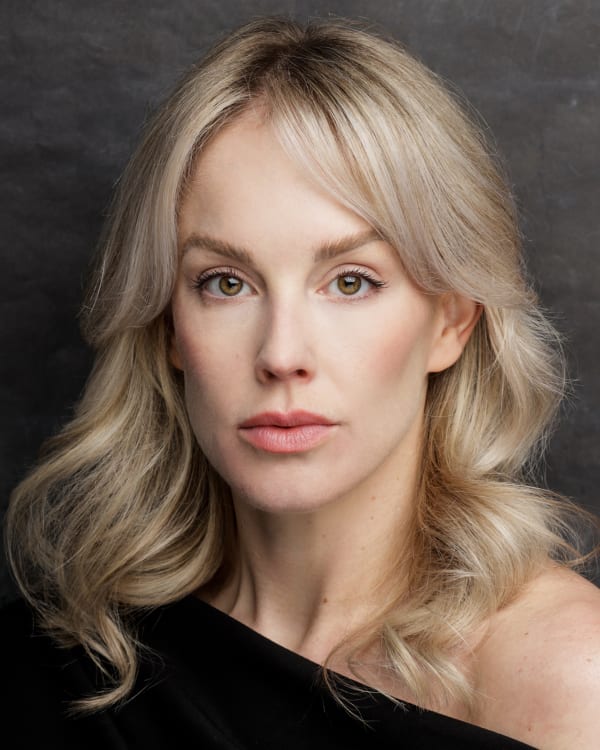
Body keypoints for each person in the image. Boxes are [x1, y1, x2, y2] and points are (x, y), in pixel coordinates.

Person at [2, 16, 599, 750]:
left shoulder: (571, 677)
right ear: (169, 327)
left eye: (351, 281)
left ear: (451, 321)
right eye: (225, 282)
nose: (281, 355)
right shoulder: (53, 667)